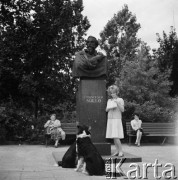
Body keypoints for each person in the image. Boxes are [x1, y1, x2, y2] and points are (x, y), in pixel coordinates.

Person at [106, 85, 124, 157]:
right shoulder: (109, 100)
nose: (112, 94)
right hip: (110, 119)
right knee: (113, 136)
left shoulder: (120, 100)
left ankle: (121, 151)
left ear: (117, 92)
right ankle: (117, 150)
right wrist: (110, 107)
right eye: (111, 93)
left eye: (113, 92)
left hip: (116, 119)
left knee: (116, 136)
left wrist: (117, 103)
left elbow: (122, 110)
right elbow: (106, 110)